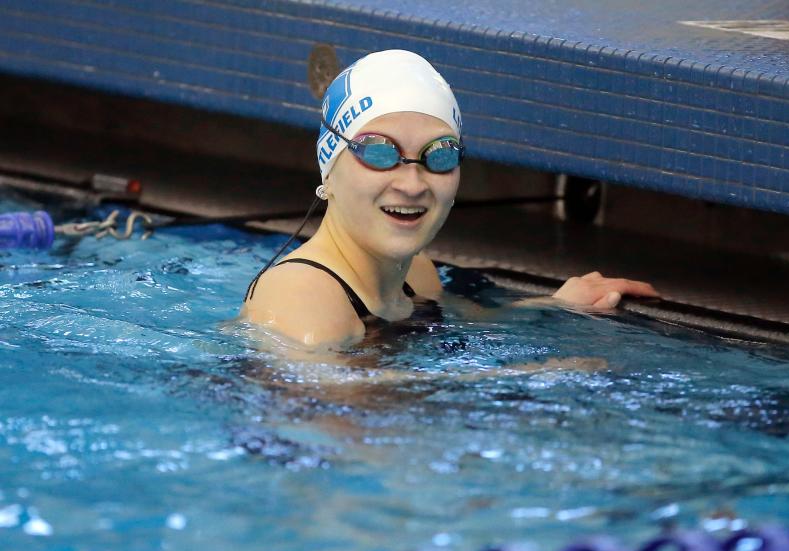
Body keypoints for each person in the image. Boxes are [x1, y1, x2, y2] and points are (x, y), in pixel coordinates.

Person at [242, 50, 658, 348]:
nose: (411, 183)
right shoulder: (300, 295)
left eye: (438, 155)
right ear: (328, 168)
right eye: (380, 152)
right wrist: (527, 382)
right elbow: (340, 427)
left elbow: (471, 324)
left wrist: (554, 304)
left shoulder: (416, 273)